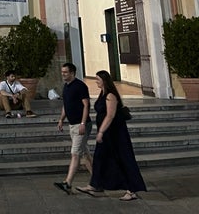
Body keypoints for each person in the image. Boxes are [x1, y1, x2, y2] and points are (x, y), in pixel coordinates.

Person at [76, 70, 146, 201]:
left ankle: (131, 189)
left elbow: (110, 115)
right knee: (100, 158)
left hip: (114, 133)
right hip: (107, 132)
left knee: (122, 158)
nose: (96, 81)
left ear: (104, 81)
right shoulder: (102, 94)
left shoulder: (110, 96)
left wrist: (101, 132)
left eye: (98, 80)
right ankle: (95, 184)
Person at [54, 62, 93, 195]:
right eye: (62, 72)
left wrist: (83, 123)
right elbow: (66, 105)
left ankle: (68, 183)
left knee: (75, 153)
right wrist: (61, 119)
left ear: (72, 73)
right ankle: (97, 180)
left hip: (81, 125)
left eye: (65, 72)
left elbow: (86, 105)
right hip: (72, 124)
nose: (63, 74)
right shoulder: (66, 87)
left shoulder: (80, 86)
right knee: (84, 154)